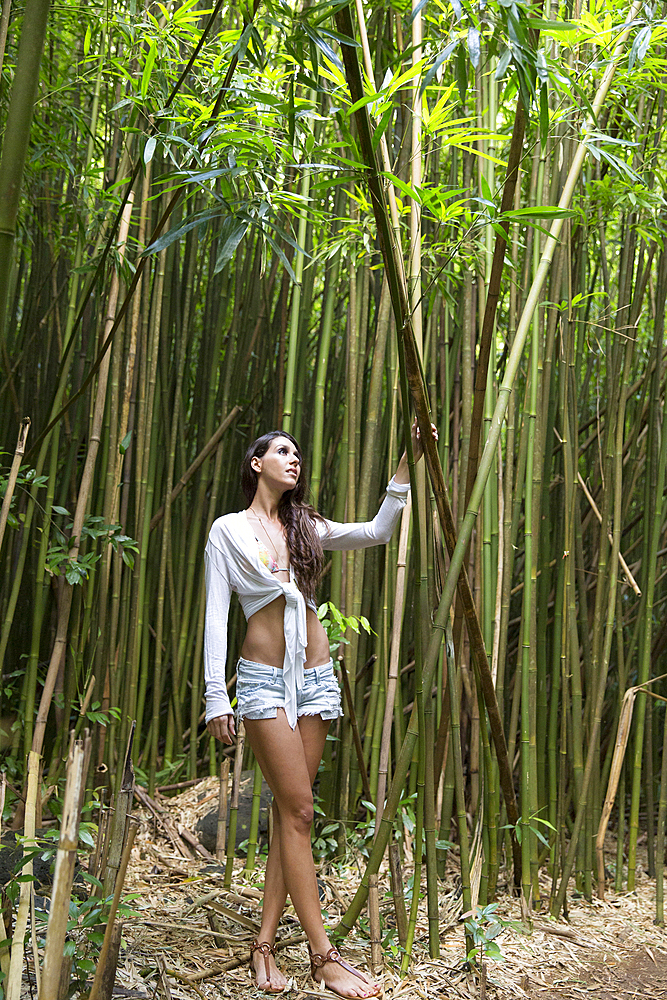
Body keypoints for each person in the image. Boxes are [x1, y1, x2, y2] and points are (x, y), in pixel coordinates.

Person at [204, 421, 432, 996]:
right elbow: (214, 617)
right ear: (256, 463)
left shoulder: (306, 526)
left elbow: (378, 532)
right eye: (282, 451)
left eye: (298, 453)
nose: (294, 459)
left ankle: (262, 948)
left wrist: (406, 464)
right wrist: (215, 696)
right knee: (300, 810)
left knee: (291, 813)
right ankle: (323, 956)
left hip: (315, 681)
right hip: (262, 683)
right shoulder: (227, 531)